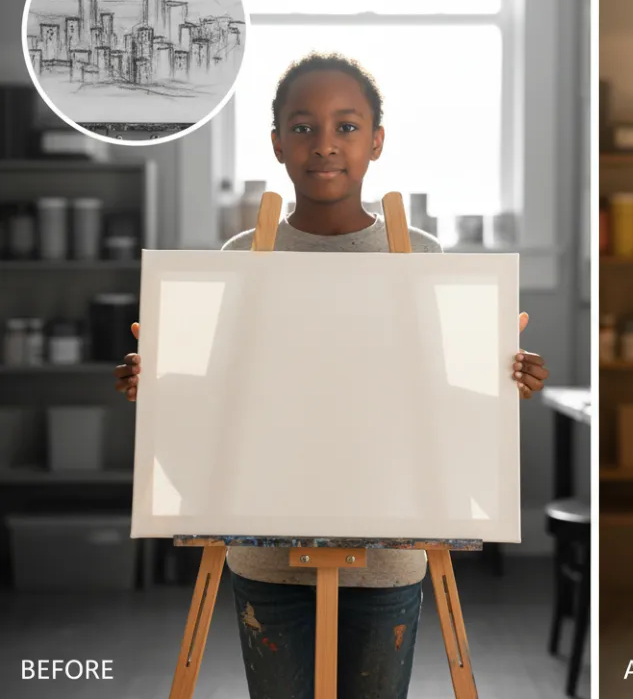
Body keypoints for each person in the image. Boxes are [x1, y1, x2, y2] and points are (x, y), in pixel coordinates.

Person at [113, 53, 549, 697]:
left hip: (391, 551)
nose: (324, 145)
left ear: (377, 141)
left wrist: (504, 377)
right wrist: (157, 386)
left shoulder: (418, 254)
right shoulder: (247, 256)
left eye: (346, 127)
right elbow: (216, 395)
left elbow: (443, 394)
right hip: (264, 547)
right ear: (276, 143)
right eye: (302, 127)